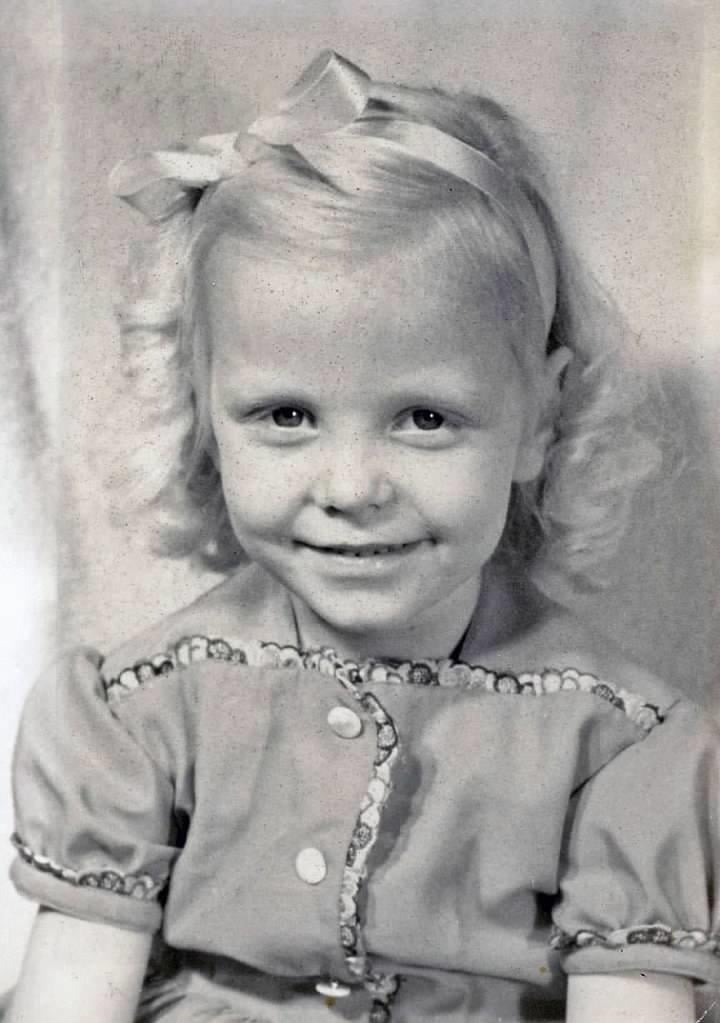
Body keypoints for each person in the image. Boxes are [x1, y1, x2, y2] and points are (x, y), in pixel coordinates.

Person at [5, 50, 718, 1023]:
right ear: (204, 415)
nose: (349, 489)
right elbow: (72, 999)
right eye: (286, 415)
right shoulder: (140, 715)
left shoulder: (620, 746)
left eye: (424, 418)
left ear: (540, 421)